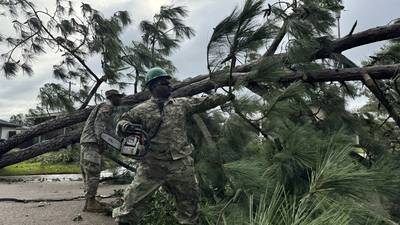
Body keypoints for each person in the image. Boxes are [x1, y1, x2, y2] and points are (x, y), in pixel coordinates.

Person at [112, 67, 232, 225]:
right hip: (152, 166)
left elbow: (205, 102)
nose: (170, 85)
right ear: (153, 87)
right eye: (164, 83)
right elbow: (121, 122)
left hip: (180, 164)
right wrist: (125, 126)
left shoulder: (181, 104)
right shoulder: (141, 110)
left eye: (169, 82)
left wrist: (227, 95)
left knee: (189, 204)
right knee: (131, 204)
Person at [80, 89, 123, 212]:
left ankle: (89, 201)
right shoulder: (106, 107)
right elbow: (99, 126)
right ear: (112, 97)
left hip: (87, 142)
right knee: (93, 173)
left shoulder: (102, 106)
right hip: (92, 143)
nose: (120, 99)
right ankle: (91, 203)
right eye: (118, 97)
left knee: (88, 174)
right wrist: (101, 143)